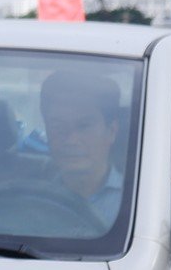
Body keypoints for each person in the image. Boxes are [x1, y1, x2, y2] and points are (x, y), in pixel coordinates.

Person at [39, 70, 124, 227]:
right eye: (58, 126)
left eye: (84, 126)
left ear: (111, 131)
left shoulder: (138, 204)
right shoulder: (29, 196)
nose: (71, 140)